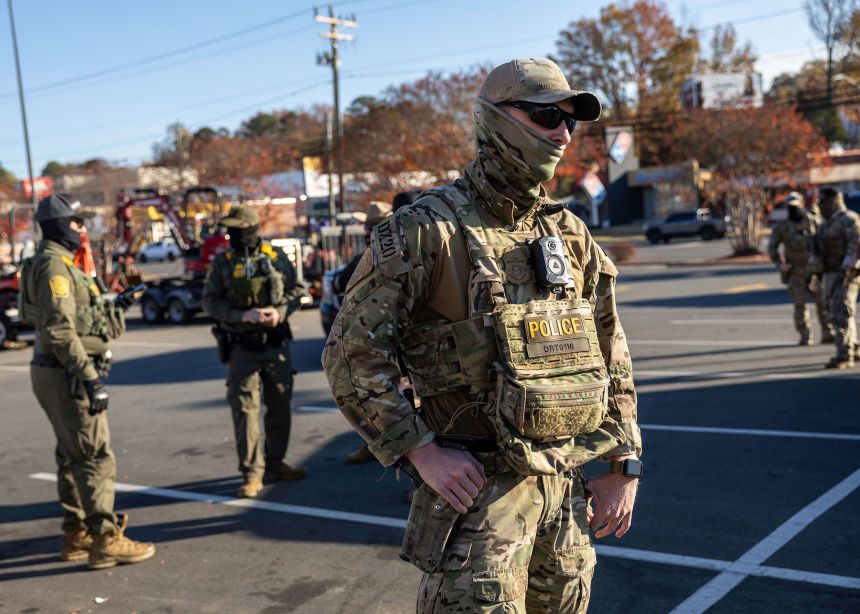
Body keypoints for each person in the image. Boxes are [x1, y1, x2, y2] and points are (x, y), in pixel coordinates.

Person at [323, 57, 642, 612]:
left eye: (570, 120)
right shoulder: (427, 230)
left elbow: (610, 349)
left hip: (563, 497)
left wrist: (623, 463)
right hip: (479, 502)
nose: (563, 133)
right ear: (497, 119)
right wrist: (420, 451)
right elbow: (351, 355)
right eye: (547, 116)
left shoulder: (568, 232)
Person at [19, 194, 155, 570]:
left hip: (56, 370)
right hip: (67, 373)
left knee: (70, 455)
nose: (82, 230)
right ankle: (104, 538)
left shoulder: (53, 263)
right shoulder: (55, 268)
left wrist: (111, 307)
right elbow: (61, 332)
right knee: (94, 456)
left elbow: (74, 318)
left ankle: (77, 532)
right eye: (77, 223)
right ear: (63, 226)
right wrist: (90, 378)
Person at [202, 205, 307, 498]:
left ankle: (275, 462)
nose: (232, 234)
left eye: (237, 229)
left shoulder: (275, 257)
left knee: (280, 405)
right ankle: (251, 473)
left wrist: (280, 312)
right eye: (229, 230)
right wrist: (241, 315)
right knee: (245, 412)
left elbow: (298, 291)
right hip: (241, 348)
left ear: (251, 227)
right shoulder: (223, 261)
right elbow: (210, 301)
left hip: (276, 344)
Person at [767, 191, 833, 345]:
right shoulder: (782, 227)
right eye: (790, 206)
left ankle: (827, 332)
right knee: (800, 306)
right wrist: (780, 264)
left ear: (802, 204)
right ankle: (805, 335)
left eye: (796, 205)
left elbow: (826, 243)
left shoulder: (814, 222)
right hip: (795, 271)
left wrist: (824, 263)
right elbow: (772, 248)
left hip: (814, 270)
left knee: (822, 303)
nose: (793, 208)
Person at [813, 187, 860, 369]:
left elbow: (856, 245)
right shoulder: (825, 223)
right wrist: (814, 271)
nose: (821, 206)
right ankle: (853, 347)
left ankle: (844, 354)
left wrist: (848, 267)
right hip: (830, 272)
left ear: (834, 201)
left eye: (823, 201)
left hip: (845, 273)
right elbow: (818, 248)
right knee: (836, 311)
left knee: (842, 312)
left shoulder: (848, 220)